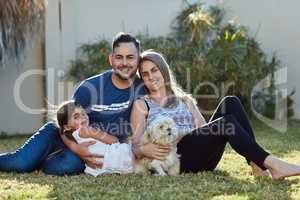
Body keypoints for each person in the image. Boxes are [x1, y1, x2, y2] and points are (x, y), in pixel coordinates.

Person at [131, 50, 300, 180]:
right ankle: (274, 165)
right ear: (142, 79)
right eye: (145, 74)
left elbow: (203, 129)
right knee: (225, 123)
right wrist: (149, 147)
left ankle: (256, 164)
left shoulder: (184, 100)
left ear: (163, 71)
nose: (151, 76)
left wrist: (186, 133)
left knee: (230, 102)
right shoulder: (142, 104)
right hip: (175, 160)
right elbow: (136, 147)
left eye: (154, 70)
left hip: (200, 155)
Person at [0, 32, 145, 175]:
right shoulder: (91, 87)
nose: (125, 63)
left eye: (130, 57)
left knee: (69, 165)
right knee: (21, 163)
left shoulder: (142, 90)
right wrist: (75, 148)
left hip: (95, 145)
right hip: (60, 133)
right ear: (111, 59)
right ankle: (33, 159)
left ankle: (40, 161)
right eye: (119, 57)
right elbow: (64, 123)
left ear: (138, 60)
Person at [56, 100, 134, 176]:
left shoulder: (73, 138)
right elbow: (114, 140)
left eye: (83, 114)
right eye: (76, 117)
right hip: (114, 157)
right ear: (67, 127)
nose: (83, 118)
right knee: (133, 148)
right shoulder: (86, 130)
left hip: (99, 167)